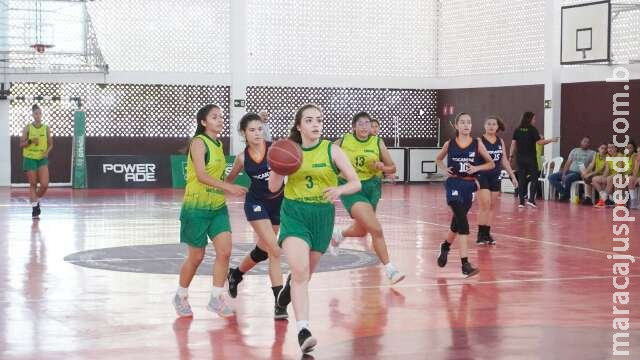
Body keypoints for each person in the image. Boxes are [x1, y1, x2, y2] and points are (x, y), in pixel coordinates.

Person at [268, 104, 360, 353]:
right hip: (295, 213)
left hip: (322, 216)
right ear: (299, 126)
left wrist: (340, 189)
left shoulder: (332, 150)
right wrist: (277, 165)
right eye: (309, 120)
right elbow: (273, 188)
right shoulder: (288, 150)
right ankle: (303, 330)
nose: (315, 124)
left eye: (318, 120)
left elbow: (355, 182)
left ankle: (287, 291)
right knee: (300, 271)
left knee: (304, 275)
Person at [172, 104, 248, 318]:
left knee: (225, 252)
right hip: (195, 209)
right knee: (196, 257)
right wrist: (229, 187)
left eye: (221, 117)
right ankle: (180, 295)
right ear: (203, 122)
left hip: (217, 208)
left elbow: (220, 178)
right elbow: (202, 175)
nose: (220, 120)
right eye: (214, 117)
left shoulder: (217, 144)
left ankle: (216, 298)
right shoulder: (199, 143)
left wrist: (234, 175)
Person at [329, 111, 405, 284]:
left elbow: (392, 168)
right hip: (352, 188)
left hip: (372, 187)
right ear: (354, 126)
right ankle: (390, 269)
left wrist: (381, 167)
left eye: (368, 123)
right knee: (376, 228)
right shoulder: (343, 141)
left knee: (362, 230)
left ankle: (338, 234)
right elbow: (326, 157)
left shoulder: (377, 142)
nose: (365, 127)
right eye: (361, 124)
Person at [225, 112, 288, 319]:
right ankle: (280, 304)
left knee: (262, 251)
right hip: (256, 204)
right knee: (275, 250)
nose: (257, 133)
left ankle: (236, 274)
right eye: (252, 130)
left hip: (278, 202)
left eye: (260, 129)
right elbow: (230, 179)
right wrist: (226, 187)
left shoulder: (275, 149)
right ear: (243, 133)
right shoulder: (242, 158)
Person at [435, 112, 495, 278]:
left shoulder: (477, 143)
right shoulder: (450, 143)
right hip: (454, 183)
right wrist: (443, 168)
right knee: (462, 221)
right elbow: (438, 159)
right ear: (457, 126)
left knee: (456, 223)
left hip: (469, 186)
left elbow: (491, 163)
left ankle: (445, 246)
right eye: (462, 122)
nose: (466, 125)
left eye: (469, 122)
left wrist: (476, 168)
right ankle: (465, 264)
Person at [476, 116, 517, 245]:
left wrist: (512, 176)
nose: (491, 126)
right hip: (482, 175)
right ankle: (480, 235)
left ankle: (487, 234)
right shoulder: (479, 140)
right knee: (484, 204)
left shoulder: (500, 141)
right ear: (484, 126)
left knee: (491, 206)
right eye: (488, 124)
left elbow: (504, 159)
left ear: (497, 127)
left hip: (495, 175)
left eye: (494, 124)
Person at [509, 111, 558, 208]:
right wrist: (551, 140)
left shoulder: (517, 130)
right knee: (534, 178)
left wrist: (510, 156)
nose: (535, 121)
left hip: (520, 159)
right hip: (531, 159)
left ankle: (521, 202)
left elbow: (513, 144)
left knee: (522, 179)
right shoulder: (532, 129)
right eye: (534, 119)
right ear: (529, 119)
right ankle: (531, 200)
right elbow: (540, 142)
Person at [19, 104, 53, 219]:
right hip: (29, 158)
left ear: (41, 114)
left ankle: (35, 199)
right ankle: (34, 207)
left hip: (41, 158)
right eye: (36, 113)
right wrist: (30, 141)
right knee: (33, 184)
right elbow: (21, 144)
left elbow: (51, 143)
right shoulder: (27, 128)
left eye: (40, 113)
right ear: (33, 115)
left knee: (44, 184)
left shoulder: (46, 128)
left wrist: (47, 151)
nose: (38, 116)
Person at [547, 136, 595, 202]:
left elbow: (593, 165)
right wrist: (563, 173)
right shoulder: (574, 150)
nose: (586, 143)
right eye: (584, 141)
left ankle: (565, 195)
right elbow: (568, 163)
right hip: (569, 171)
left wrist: (586, 173)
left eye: (587, 142)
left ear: (589, 144)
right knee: (551, 177)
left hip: (579, 173)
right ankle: (565, 194)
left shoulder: (592, 153)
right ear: (581, 142)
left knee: (568, 177)